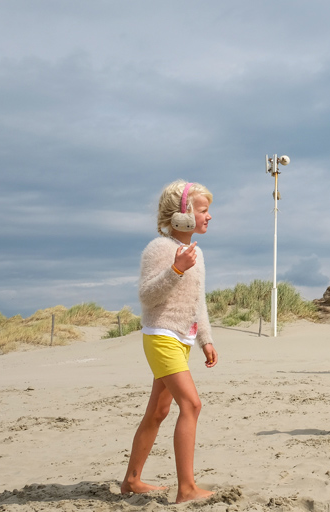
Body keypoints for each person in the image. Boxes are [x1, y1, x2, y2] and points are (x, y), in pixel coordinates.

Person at [121, 180, 218, 504]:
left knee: (158, 412)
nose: (209, 217)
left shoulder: (198, 253)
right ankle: (186, 488)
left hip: (183, 340)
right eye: (203, 210)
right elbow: (146, 296)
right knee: (191, 404)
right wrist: (176, 268)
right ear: (182, 214)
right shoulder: (159, 249)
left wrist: (205, 339)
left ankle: (131, 480)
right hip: (161, 336)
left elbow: (197, 301)